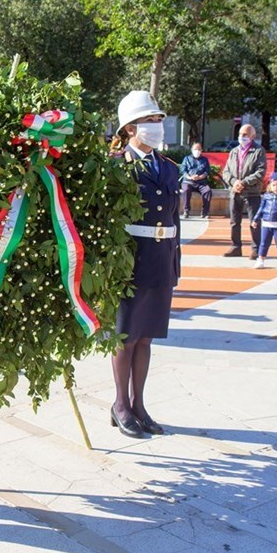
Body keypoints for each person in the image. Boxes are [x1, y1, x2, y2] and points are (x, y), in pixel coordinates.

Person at [108, 90, 180, 439]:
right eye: (150, 120)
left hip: (160, 258)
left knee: (146, 338)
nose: (157, 126)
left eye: (158, 119)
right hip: (130, 259)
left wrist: (175, 265)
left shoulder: (168, 167)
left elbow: (174, 218)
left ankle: (139, 405)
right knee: (126, 337)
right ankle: (120, 404)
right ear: (130, 128)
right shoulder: (117, 166)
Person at [221, 124, 266, 259]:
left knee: (254, 221)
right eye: (241, 134)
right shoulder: (234, 151)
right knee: (235, 221)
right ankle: (235, 247)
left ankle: (256, 249)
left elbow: (261, 171)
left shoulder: (258, 151)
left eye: (246, 135)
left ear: (252, 136)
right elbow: (226, 171)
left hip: (252, 192)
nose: (242, 137)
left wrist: (244, 182)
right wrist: (234, 182)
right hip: (235, 191)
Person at [179, 142, 212, 219]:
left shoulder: (205, 160)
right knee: (186, 190)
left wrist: (200, 177)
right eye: (195, 149)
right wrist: (190, 177)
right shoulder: (186, 158)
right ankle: (186, 211)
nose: (197, 151)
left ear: (201, 150)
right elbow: (183, 171)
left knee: (207, 191)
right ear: (191, 150)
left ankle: (205, 212)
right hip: (188, 182)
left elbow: (207, 171)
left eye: (199, 149)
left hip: (201, 182)